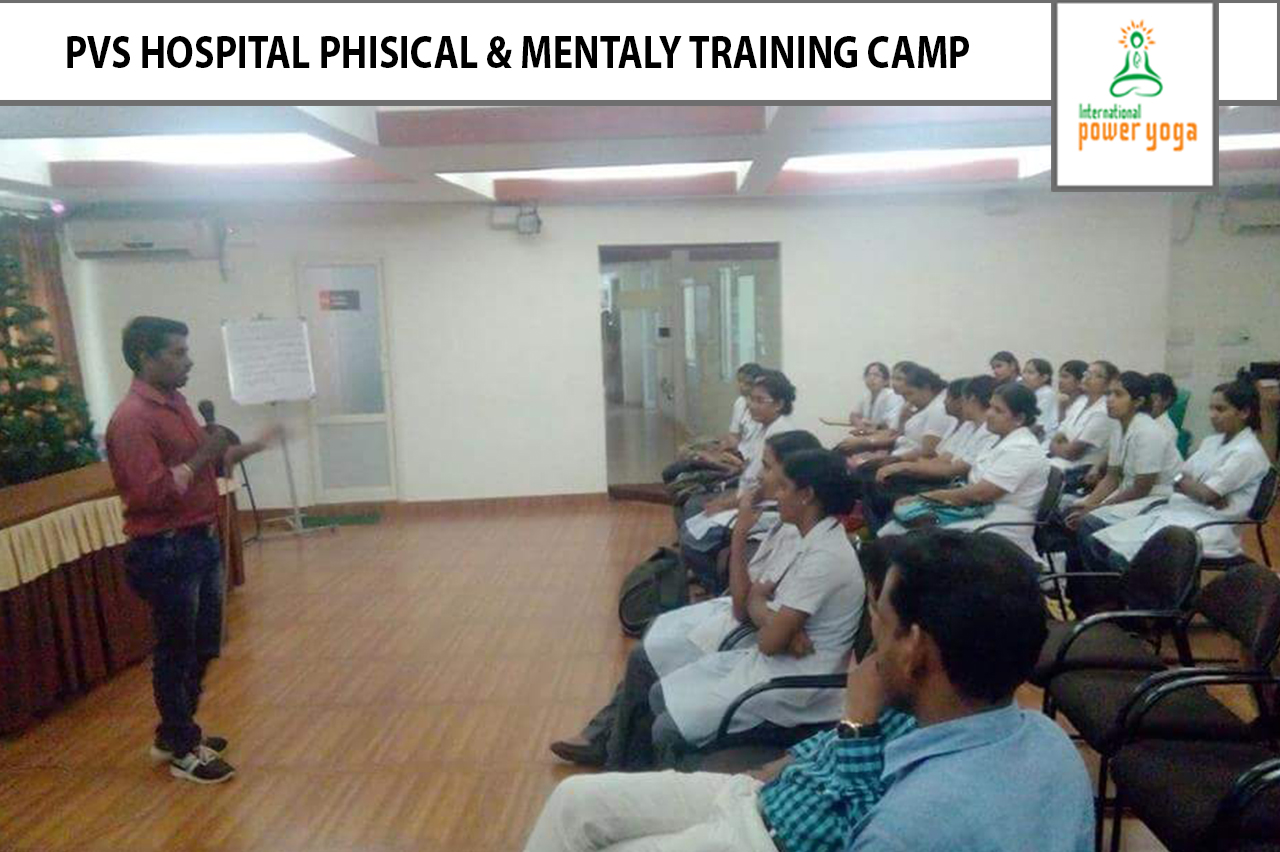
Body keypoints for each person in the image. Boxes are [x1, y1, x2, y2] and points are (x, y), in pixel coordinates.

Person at [522, 530, 1094, 852]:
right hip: (765, 797)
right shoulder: (1044, 739)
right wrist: (788, 765)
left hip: (776, 838)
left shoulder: (908, 828)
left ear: (915, 647)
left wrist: (855, 723)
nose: (871, 635)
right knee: (574, 803)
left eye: (880, 618)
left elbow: (854, 817)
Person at [105, 316, 281, 784]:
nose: (189, 361)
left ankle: (175, 731)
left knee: (204, 644)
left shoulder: (176, 403)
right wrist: (205, 452)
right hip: (165, 550)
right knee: (176, 649)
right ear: (145, 357)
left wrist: (253, 446)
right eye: (177, 353)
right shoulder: (132, 419)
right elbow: (151, 493)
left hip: (198, 541)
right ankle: (183, 749)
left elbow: (209, 464)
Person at [1083, 372, 1272, 570]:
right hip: (1181, 512)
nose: (1212, 415)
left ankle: (1144, 591)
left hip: (1209, 528)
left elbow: (1205, 493)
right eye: (1211, 408)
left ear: (1244, 412)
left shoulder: (1247, 452)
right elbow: (1182, 477)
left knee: (1121, 557)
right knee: (1101, 543)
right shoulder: (1211, 442)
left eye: (1220, 409)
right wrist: (1199, 490)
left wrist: (1201, 491)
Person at [883, 383, 1051, 562]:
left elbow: (981, 494)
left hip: (997, 525)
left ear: (1019, 418)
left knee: (908, 541)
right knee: (896, 529)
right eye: (990, 406)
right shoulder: (997, 440)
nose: (989, 413)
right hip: (975, 513)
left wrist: (924, 498)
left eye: (998, 410)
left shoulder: (1022, 449)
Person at [1062, 372, 1183, 612]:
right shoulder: (1119, 427)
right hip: (1131, 496)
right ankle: (1081, 594)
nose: (1109, 399)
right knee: (1071, 510)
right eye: (1109, 393)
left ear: (1138, 401)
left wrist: (1096, 509)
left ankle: (1108, 600)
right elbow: (1112, 476)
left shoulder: (1148, 431)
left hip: (1156, 500)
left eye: (1118, 394)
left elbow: (1142, 487)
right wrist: (1089, 503)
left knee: (1089, 523)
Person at [687, 370, 797, 520]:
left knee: (694, 506)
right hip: (743, 492)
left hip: (760, 505)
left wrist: (724, 505)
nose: (751, 405)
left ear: (778, 404)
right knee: (692, 500)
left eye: (759, 400)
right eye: (751, 399)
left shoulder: (780, 434)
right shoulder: (763, 426)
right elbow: (747, 468)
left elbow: (762, 488)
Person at [664, 363, 765, 484]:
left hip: (745, 460)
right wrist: (719, 447)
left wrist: (727, 457)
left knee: (695, 464)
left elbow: (756, 452)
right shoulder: (740, 403)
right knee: (682, 455)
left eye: (747, 383)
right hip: (737, 453)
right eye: (739, 381)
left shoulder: (765, 411)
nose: (741, 386)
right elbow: (734, 436)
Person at [1049, 360, 1119, 496]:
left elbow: (1073, 453)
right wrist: (1062, 446)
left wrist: (1060, 446)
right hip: (1058, 463)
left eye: (1096, 375)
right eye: (1087, 373)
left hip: (1077, 472)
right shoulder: (1080, 402)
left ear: (1108, 384)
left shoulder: (1104, 411)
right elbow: (1057, 436)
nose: (1088, 377)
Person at [848, 361, 904, 433]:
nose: (871, 378)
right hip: (871, 434)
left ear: (886, 381)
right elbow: (853, 415)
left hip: (887, 436)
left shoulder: (893, 396)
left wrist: (873, 426)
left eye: (876, 375)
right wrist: (861, 425)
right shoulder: (867, 396)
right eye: (868, 375)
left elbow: (892, 425)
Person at [1021, 357, 1058, 438]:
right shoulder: (1031, 393)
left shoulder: (1046, 393)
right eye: (1024, 372)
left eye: (1030, 373)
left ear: (1044, 378)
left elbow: (1039, 425)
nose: (1024, 376)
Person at [1147, 372, 1180, 448]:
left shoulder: (1167, 431)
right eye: (1146, 398)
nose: (1148, 403)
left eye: (1154, 399)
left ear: (1167, 401)